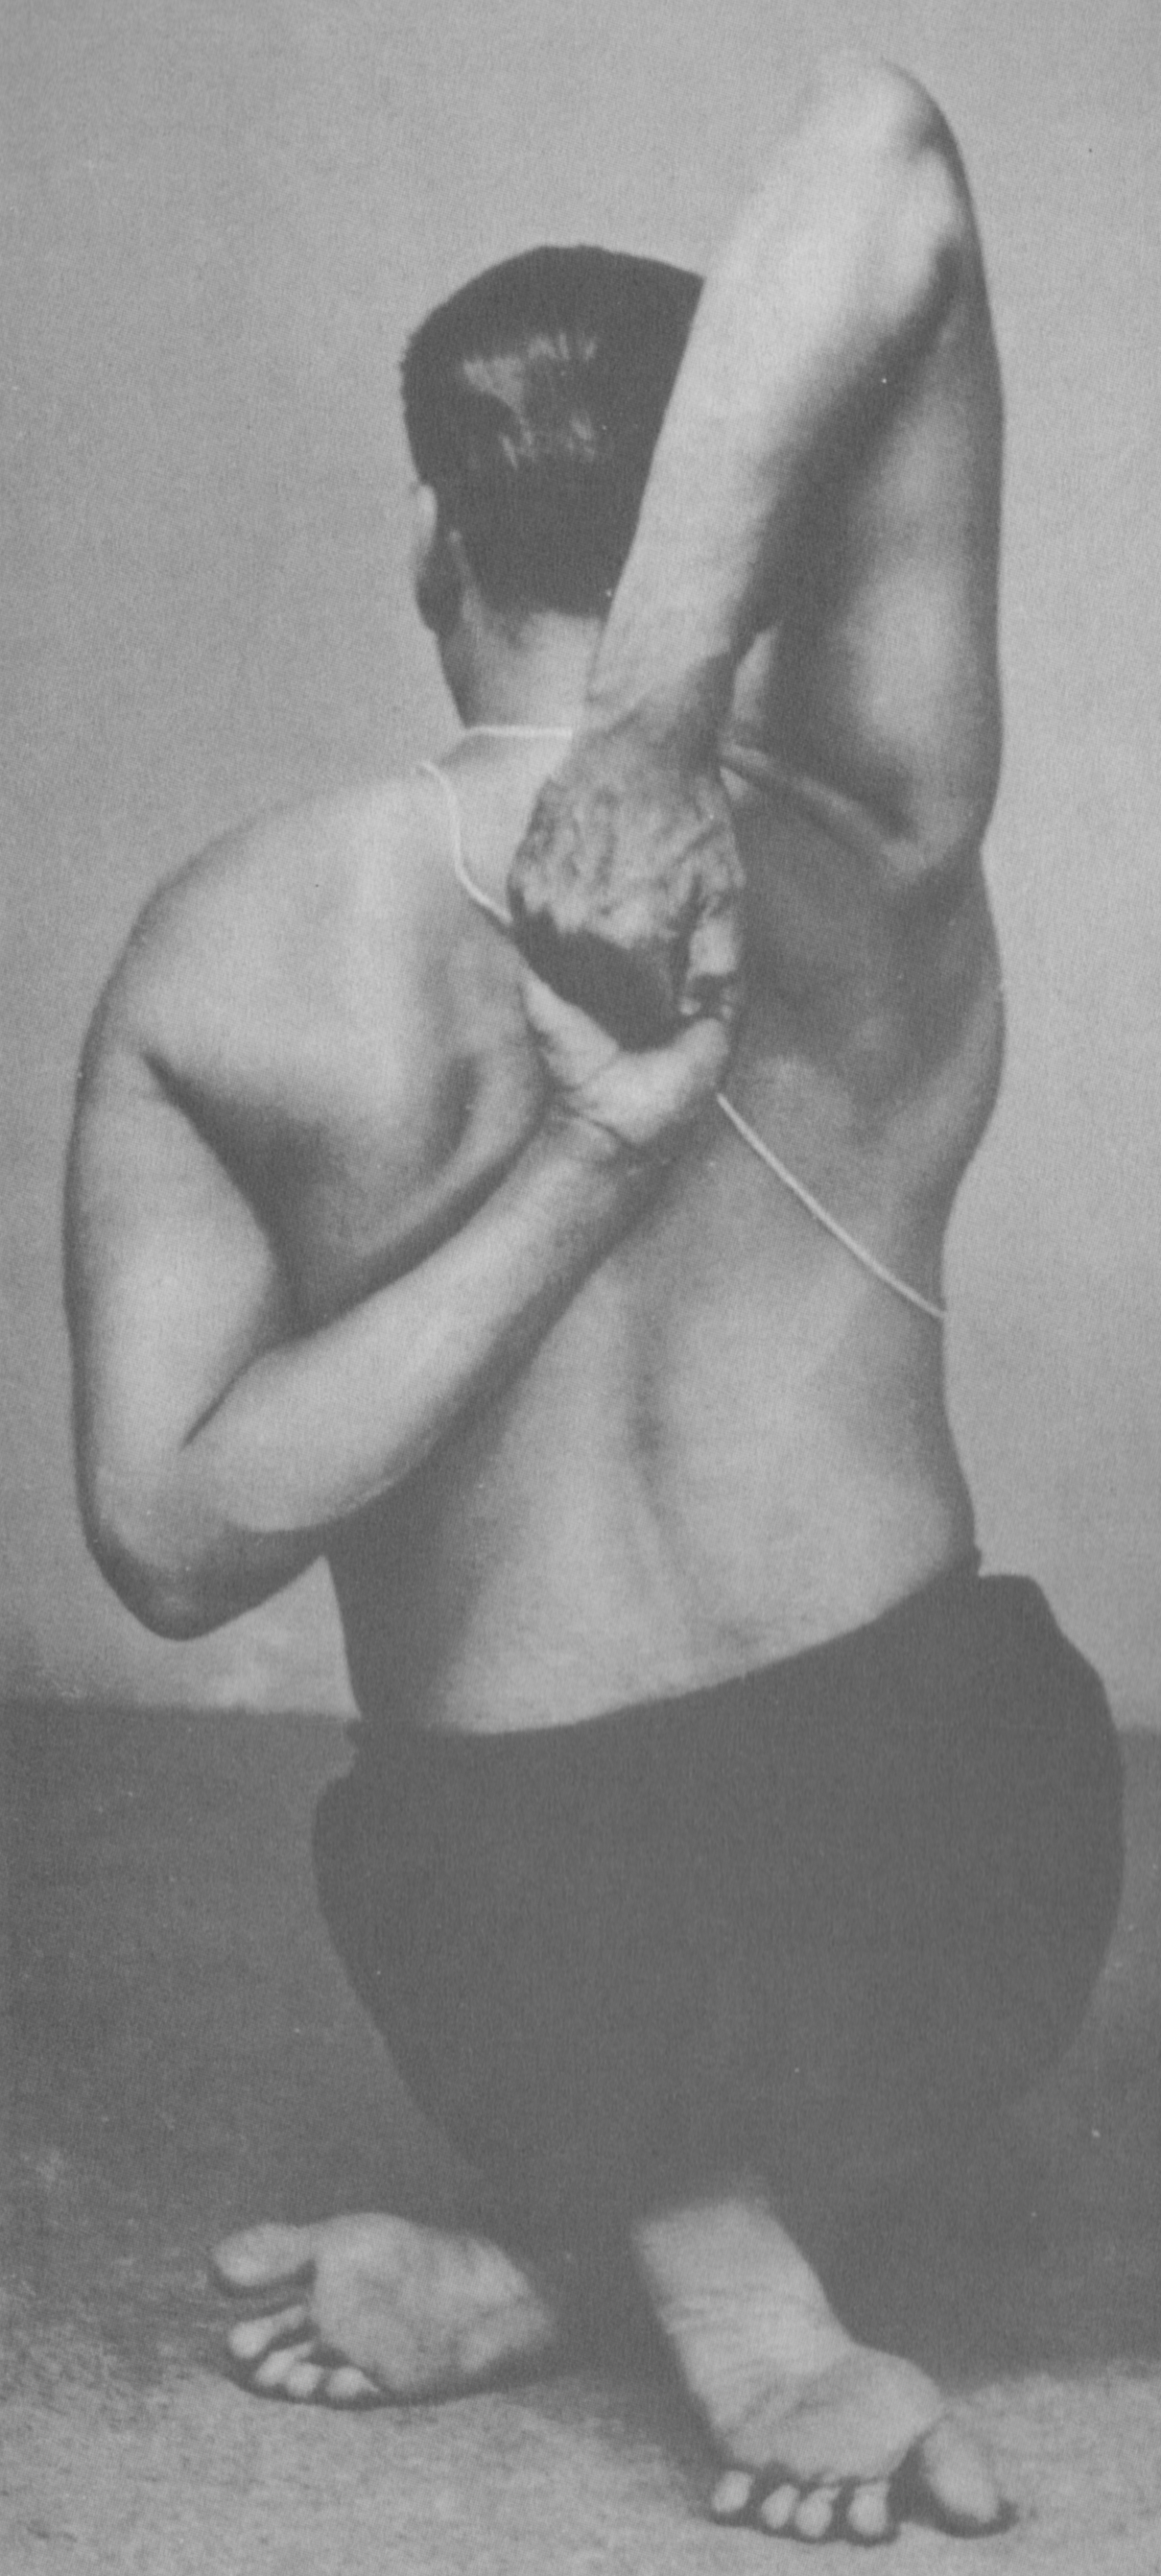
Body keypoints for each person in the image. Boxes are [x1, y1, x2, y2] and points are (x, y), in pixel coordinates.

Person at [66, 58, 1122, 2548]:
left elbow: (175, 1546)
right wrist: (611, 1144)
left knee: (461, 1857)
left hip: (534, 1944)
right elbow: (886, 148)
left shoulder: (222, 949)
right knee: (964, 1764)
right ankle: (708, 2267)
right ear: (741, 527)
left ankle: (661, 2255)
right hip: (965, 1858)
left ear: (434, 537)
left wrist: (569, 1095)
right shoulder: (881, 850)